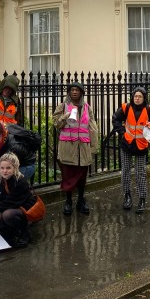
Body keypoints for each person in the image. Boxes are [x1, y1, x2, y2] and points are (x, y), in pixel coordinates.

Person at [52, 81, 99, 216]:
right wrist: (65, 116)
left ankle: (80, 200)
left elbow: (92, 127)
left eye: (77, 90)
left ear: (81, 93)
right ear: (69, 92)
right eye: (72, 90)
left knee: (82, 176)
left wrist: (94, 147)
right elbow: (56, 124)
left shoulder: (86, 107)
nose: (74, 92)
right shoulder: (63, 106)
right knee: (68, 175)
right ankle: (68, 201)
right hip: (68, 147)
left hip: (83, 147)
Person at [111, 87, 150, 213]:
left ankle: (142, 199)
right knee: (125, 171)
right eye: (135, 96)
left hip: (141, 144)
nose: (137, 98)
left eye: (140, 96)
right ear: (132, 97)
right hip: (126, 143)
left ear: (144, 98)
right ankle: (127, 196)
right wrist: (121, 132)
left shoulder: (149, 109)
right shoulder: (126, 108)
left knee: (140, 173)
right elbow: (115, 118)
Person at [0, 153, 36, 248]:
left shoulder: (20, 181)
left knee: (8, 215)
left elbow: (13, 201)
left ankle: (24, 232)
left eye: (8, 168)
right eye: (2, 168)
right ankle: (9, 234)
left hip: (23, 207)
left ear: (15, 168)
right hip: (8, 206)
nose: (5, 171)